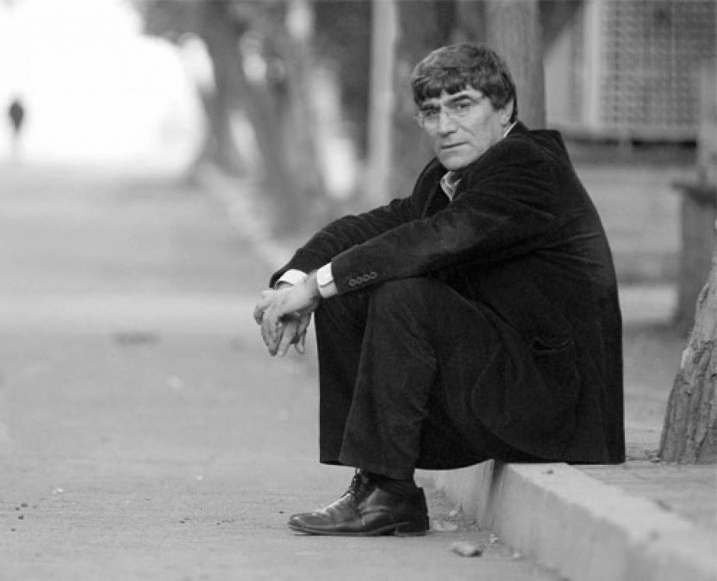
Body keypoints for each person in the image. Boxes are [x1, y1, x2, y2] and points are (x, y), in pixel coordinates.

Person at [253, 43, 624, 537]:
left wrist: (317, 288)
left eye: (462, 106)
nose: (445, 126)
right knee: (351, 289)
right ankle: (381, 485)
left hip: (556, 406)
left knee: (401, 294)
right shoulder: (451, 175)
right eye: (431, 112)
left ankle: (387, 492)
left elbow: (435, 239)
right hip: (502, 381)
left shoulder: (528, 165)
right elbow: (372, 228)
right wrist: (294, 282)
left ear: (505, 108)